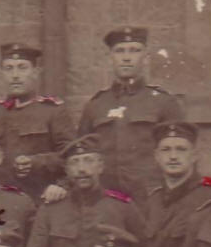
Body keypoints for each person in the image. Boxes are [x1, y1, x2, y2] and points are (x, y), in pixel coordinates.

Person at [22, 134, 146, 247]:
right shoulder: (50, 210)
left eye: (88, 160)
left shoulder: (122, 207)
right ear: (66, 170)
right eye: (75, 162)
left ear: (100, 166)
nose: (81, 169)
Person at [76, 27, 185, 199]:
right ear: (110, 58)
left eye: (134, 50)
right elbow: (81, 154)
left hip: (151, 197)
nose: (126, 57)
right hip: (107, 199)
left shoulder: (163, 102)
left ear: (145, 58)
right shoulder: (96, 105)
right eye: (119, 51)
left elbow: (182, 155)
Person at [0, 43, 72, 203]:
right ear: (2, 73)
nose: (15, 75)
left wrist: (37, 163)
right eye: (9, 68)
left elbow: (71, 156)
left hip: (40, 199)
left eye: (22, 68)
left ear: (35, 72)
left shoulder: (53, 111)